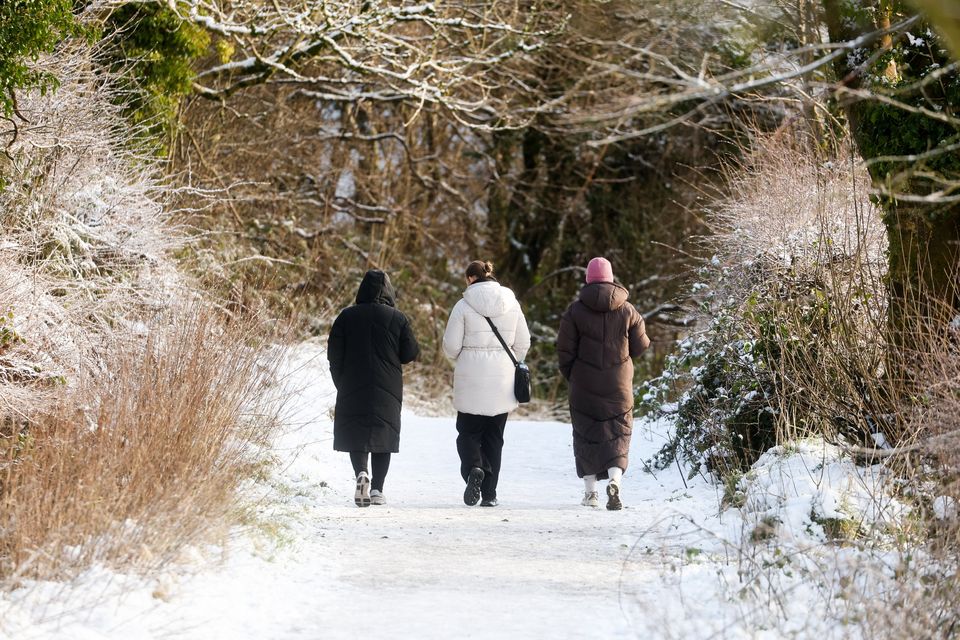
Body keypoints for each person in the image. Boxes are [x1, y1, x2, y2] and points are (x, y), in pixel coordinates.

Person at [557, 257, 650, 510]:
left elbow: (564, 351)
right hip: (618, 385)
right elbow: (642, 345)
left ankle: (590, 494)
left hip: (583, 384)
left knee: (586, 434)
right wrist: (622, 363)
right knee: (618, 433)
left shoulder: (574, 311)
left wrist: (574, 375)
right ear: (611, 279)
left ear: (588, 279)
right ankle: (615, 482)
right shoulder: (628, 310)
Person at [328, 269, 420, 507]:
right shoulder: (398, 318)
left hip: (352, 382)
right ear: (389, 292)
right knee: (384, 433)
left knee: (357, 432)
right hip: (387, 386)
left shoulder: (346, 317)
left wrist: (341, 381)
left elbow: (334, 354)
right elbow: (410, 353)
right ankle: (377, 488)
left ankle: (361, 473)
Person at [442, 260, 530, 507]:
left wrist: (465, 356)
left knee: (468, 433)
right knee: (495, 438)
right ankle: (490, 495)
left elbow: (450, 347)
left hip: (471, 378)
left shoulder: (462, 306)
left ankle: (474, 468)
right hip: (502, 381)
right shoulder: (512, 303)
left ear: (470, 278)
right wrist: (509, 360)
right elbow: (523, 342)